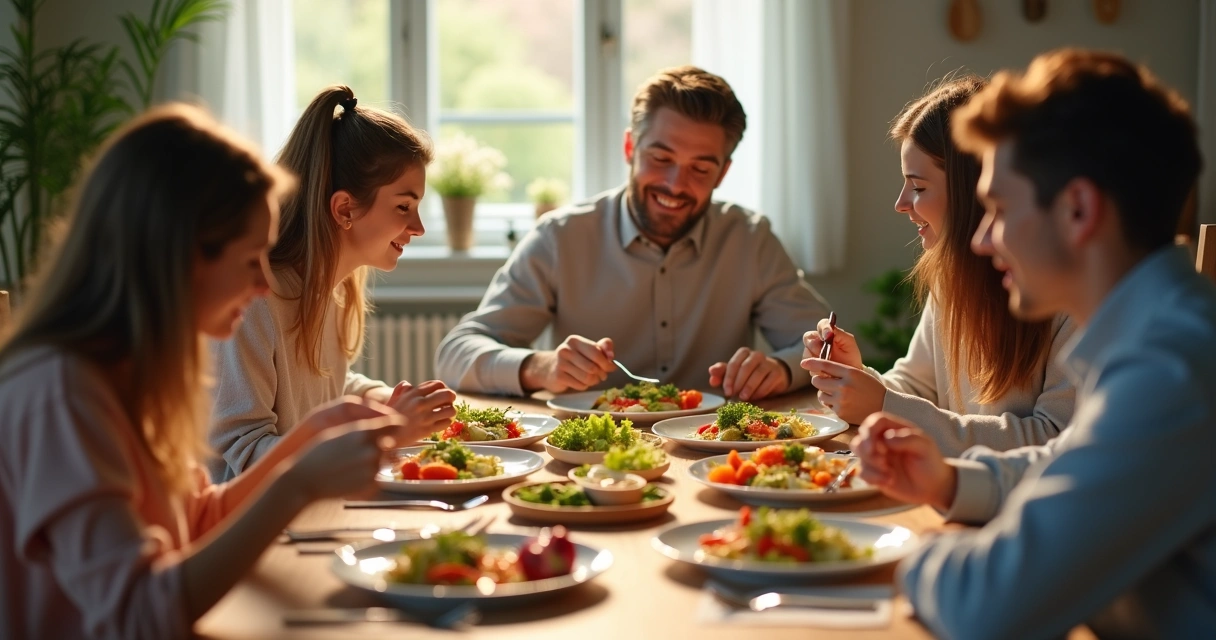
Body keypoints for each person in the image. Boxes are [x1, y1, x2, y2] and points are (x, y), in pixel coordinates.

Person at [0, 105, 408, 639]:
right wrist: (296, 484)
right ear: (179, 256)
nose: (264, 286)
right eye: (250, 260)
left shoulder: (135, 371)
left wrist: (307, 439)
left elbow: (195, 521)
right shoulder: (62, 392)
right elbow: (141, 615)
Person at [853, 49, 1215, 638]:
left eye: (999, 207)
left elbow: (986, 609)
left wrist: (893, 549)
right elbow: (1070, 463)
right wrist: (948, 482)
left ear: (1077, 210)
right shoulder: (1163, 333)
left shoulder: (1170, 371)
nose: (982, 240)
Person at [435, 66, 830, 400]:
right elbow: (454, 353)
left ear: (723, 173)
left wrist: (780, 369)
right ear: (630, 148)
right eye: (661, 158)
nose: (676, 184)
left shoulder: (749, 239)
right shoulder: (561, 237)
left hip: (709, 453)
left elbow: (828, 346)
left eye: (700, 169)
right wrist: (540, 366)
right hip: (589, 457)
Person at [801, 75, 1076, 456]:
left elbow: (1055, 440)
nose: (900, 203)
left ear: (973, 191)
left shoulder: (1071, 298)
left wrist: (885, 405)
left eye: (918, 187)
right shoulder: (951, 277)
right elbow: (917, 389)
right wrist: (858, 378)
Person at [210, 86, 457, 481]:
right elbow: (247, 455)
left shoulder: (333, 289)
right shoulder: (255, 302)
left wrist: (378, 399)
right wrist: (387, 430)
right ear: (344, 209)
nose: (418, 227)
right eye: (403, 206)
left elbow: (325, 389)